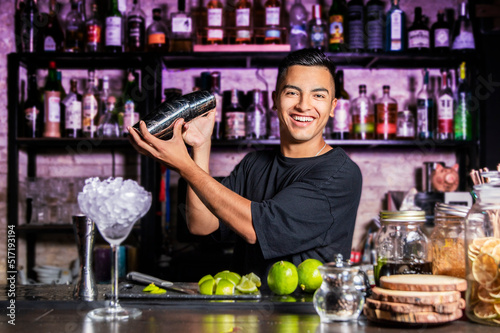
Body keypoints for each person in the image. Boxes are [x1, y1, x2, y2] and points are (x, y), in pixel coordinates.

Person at [128, 48, 362, 282]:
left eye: (318, 96)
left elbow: (255, 229)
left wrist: (184, 165)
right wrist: (200, 146)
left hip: (310, 313)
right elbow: (202, 224)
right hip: (246, 311)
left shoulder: (341, 174)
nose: (303, 105)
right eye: (292, 93)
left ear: (333, 107)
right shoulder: (255, 163)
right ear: (274, 100)